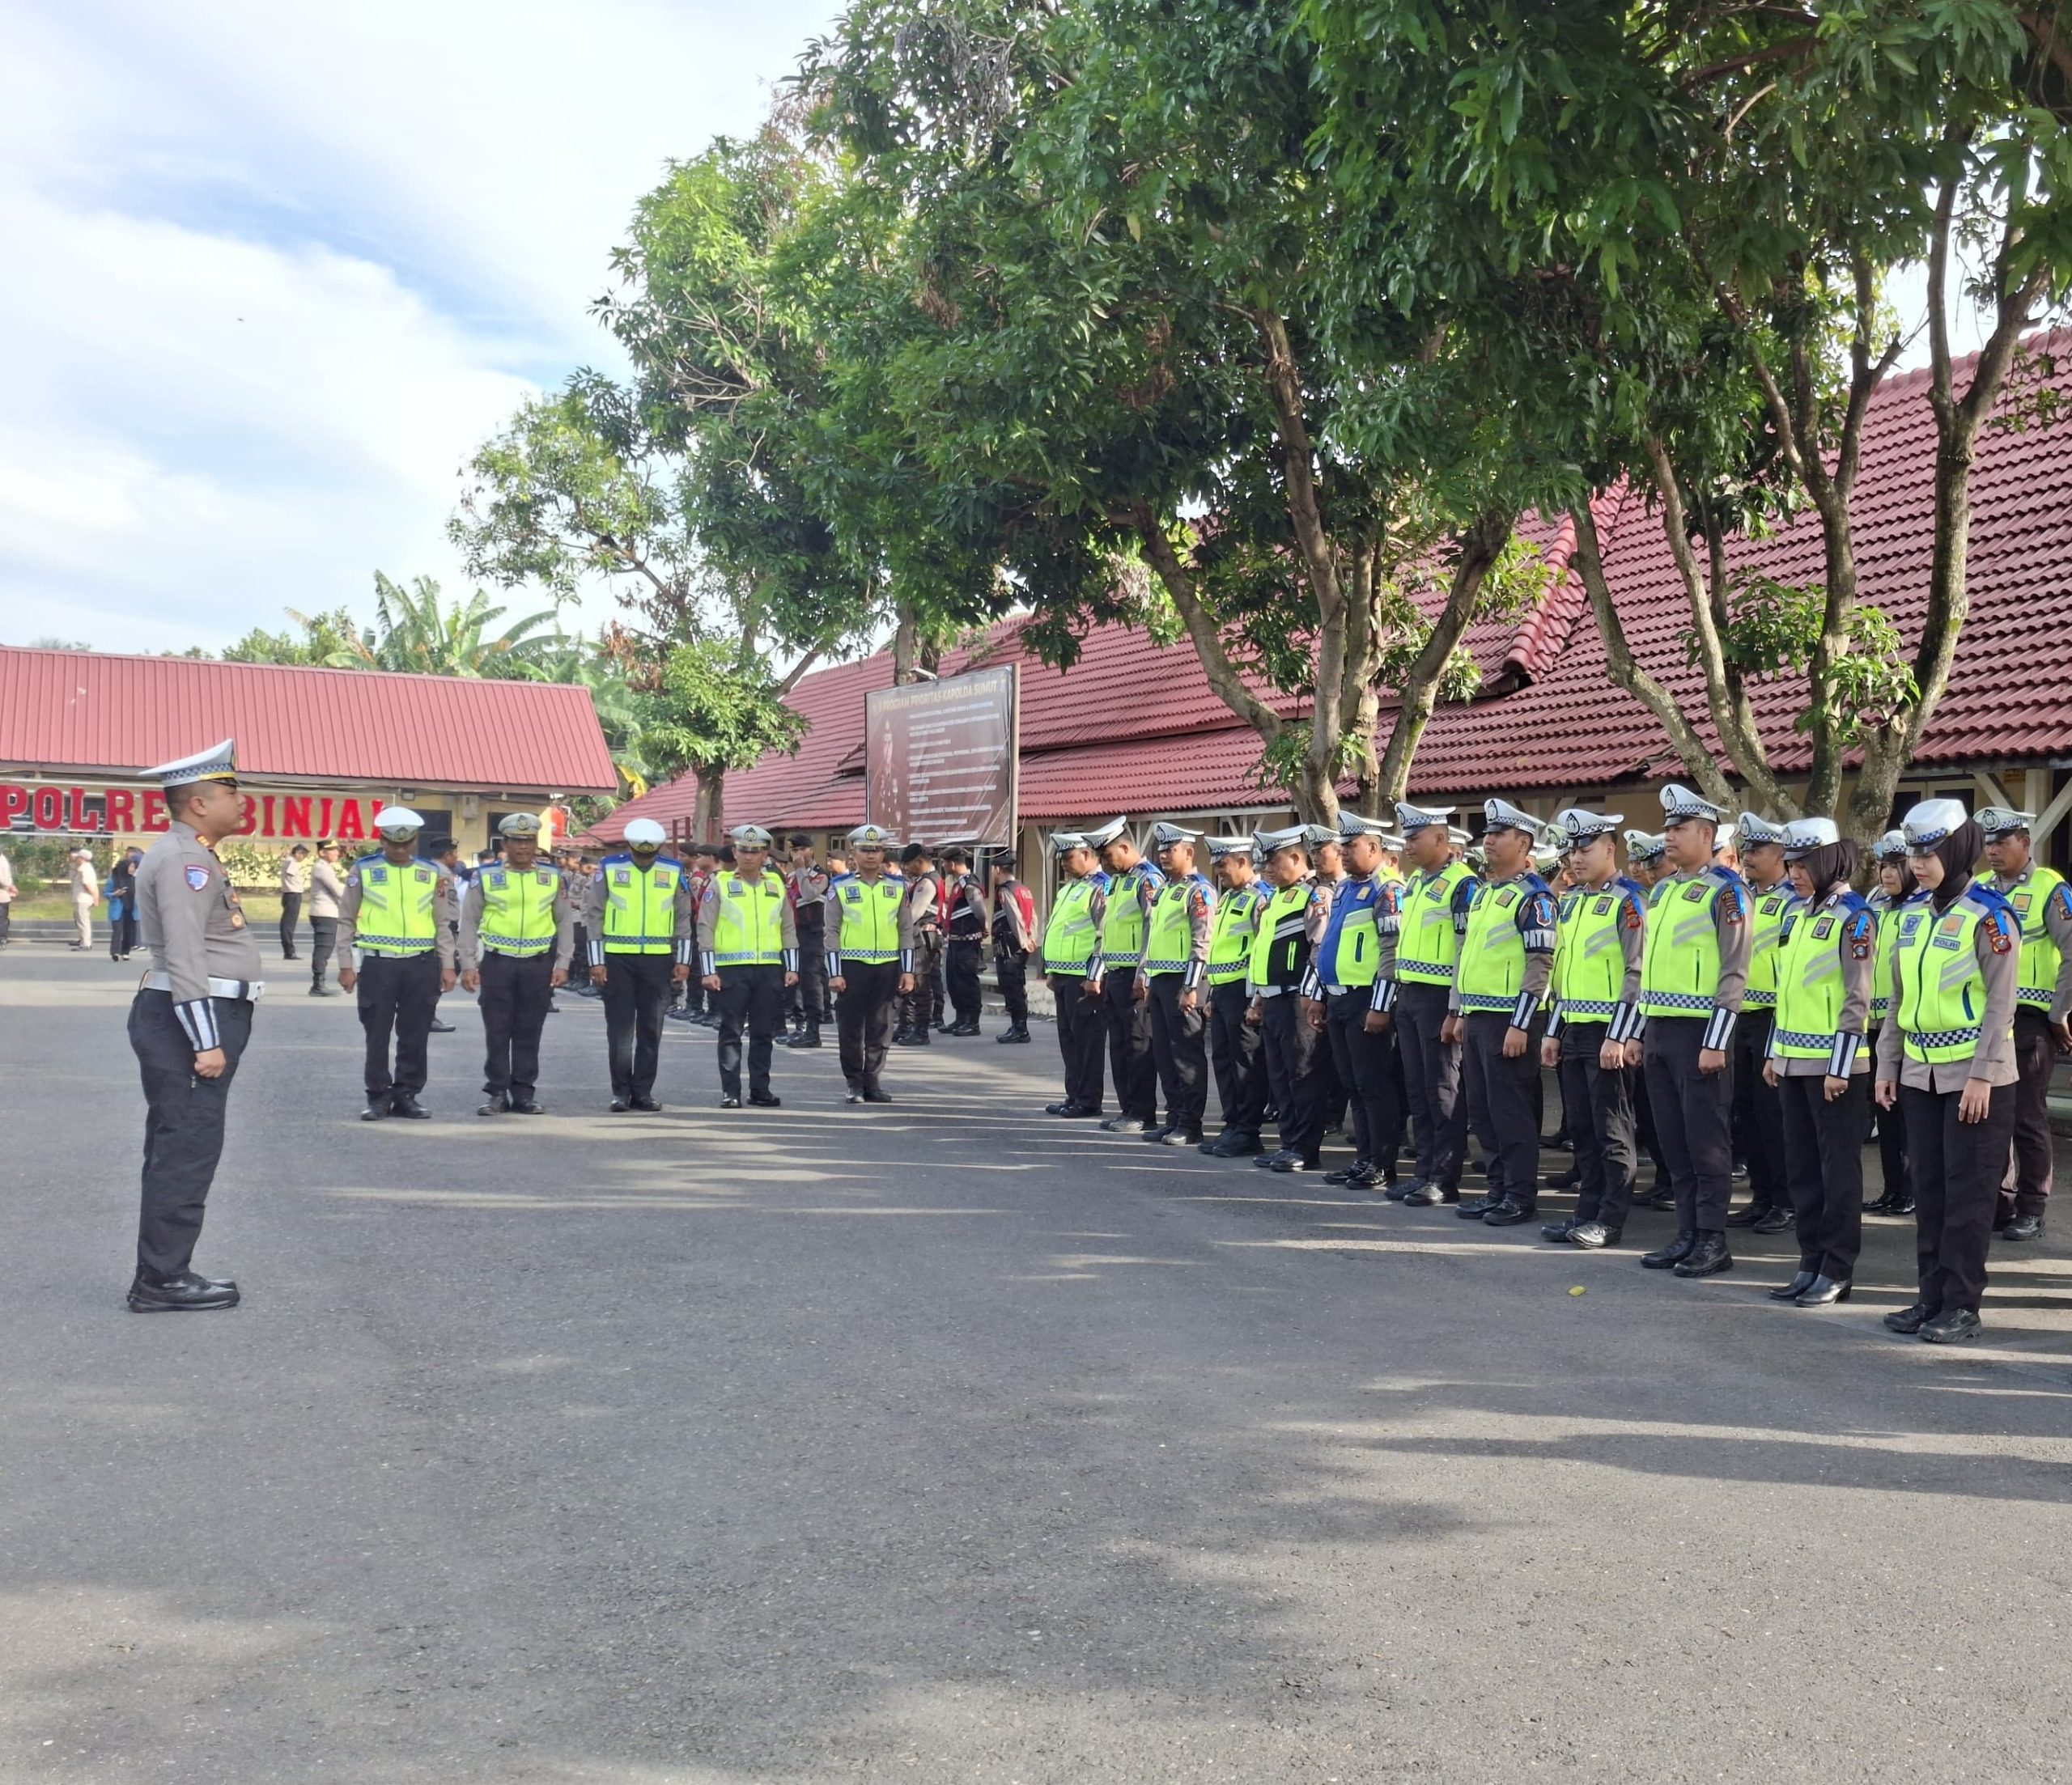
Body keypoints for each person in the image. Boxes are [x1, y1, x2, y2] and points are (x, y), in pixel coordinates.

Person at [1875, 800, 2021, 1344]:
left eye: (1930, 852)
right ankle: (1930, 1297)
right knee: (1931, 1191)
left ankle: (1962, 1305)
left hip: (1975, 1080)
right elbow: (1897, 1000)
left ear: (1958, 849)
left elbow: (2001, 1005)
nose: (1918, 863)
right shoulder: (1913, 915)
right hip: (1920, 1074)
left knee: (1968, 1196)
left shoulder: (1990, 915)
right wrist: (1888, 1064)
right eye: (1914, 852)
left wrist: (1982, 1075)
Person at [122, 740, 261, 1312]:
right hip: (192, 1020)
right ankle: (162, 1281)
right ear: (199, 803)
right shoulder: (187, 861)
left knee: (179, 1145)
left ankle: (162, 1272)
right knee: (187, 1148)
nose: (241, 801)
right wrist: (207, 1041)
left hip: (188, 1014)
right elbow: (184, 955)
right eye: (231, 792)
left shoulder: (192, 853)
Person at [1633, 784, 1751, 1278]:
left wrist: (1716, 1040)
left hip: (1701, 1033)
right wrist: (1637, 1031)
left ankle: (1711, 1238)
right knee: (1673, 1140)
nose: (1668, 837)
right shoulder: (1663, 890)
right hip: (1660, 1029)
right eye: (1667, 828)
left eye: (1679, 828)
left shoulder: (1728, 891)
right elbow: (1647, 967)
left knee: (1706, 1142)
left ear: (1706, 834)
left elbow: (1734, 971)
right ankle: (1686, 1232)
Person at [1763, 817, 1876, 1306]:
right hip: (1792, 1061)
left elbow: (1857, 997)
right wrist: (1774, 1051)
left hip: (1835, 1068)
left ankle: (1837, 1268)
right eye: (1790, 864)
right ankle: (1809, 1261)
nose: (1795, 873)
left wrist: (1839, 1066)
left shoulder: (1856, 916)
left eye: (1804, 864)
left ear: (1829, 861)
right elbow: (1785, 990)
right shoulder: (1795, 914)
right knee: (1803, 1170)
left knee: (1838, 1174)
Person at [1443, 801, 1557, 1226]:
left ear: (1523, 844)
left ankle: (1519, 1195)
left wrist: (1521, 1023)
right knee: (1484, 1111)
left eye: (1498, 834)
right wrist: (1459, 1011)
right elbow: (1468, 956)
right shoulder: (1486, 893)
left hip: (1510, 1019)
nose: (1487, 841)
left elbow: (1540, 965)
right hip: (1478, 1015)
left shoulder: (1535, 897)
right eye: (1487, 834)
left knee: (1511, 1112)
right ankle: (1497, 1189)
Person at [1539, 809, 1645, 1250]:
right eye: (1572, 850)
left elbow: (1637, 973)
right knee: (1582, 1129)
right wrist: (1553, 1030)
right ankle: (1585, 1212)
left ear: (1609, 849)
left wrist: (1619, 1035)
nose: (1576, 858)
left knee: (1612, 1131)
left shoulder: (1630, 900)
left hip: (1608, 1035)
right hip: (1574, 1031)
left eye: (1586, 849)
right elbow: (1562, 973)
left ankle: (1610, 1219)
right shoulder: (1574, 901)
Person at [1976, 807, 2072, 1243]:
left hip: (2032, 1020)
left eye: (2002, 842)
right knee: (1991, 1116)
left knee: (2027, 1118)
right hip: (1986, 1019)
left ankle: (2032, 1207)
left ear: (2025, 843)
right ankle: (1999, 1203)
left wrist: (2060, 1013)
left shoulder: (2050, 888)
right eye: (1989, 844)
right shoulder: (1979, 888)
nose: (1993, 851)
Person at [1378, 802, 1477, 1206]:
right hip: (1410, 994)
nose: (1407, 846)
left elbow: (1464, 949)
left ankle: (1444, 1178)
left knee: (1442, 1090)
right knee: (1417, 1089)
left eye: (1414, 838)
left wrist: (1456, 1008)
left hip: (1440, 999)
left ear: (1440, 839)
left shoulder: (1463, 884)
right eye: (1405, 839)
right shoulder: (1417, 882)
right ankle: (1423, 1171)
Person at [1305, 811, 1404, 1190]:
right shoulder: (1346, 888)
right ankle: (1364, 1158)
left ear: (1374, 848)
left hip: (1366, 1000)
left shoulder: (1388, 889)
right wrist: (1319, 995)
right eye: (1342, 846)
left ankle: (1382, 1163)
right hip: (1338, 998)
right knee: (1353, 1085)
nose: (1344, 852)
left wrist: (1380, 1006)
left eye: (1352, 845)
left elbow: (1390, 953)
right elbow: (1328, 945)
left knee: (1373, 1086)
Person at [336, 808, 457, 1120]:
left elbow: (441, 923)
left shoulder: (432, 872)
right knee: (377, 1034)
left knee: (415, 1034)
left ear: (415, 841)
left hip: (421, 964)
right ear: (382, 840)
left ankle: (407, 1094)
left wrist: (447, 964)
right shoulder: (363, 870)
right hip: (379, 965)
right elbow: (346, 920)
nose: (400, 850)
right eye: (393, 843)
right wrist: (346, 964)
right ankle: (378, 1096)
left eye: (406, 844)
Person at [459, 813, 574, 1115]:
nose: (523, 847)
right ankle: (497, 1091)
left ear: (535, 843)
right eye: (516, 841)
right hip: (498, 962)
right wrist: (468, 964)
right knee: (497, 1029)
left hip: (538, 963)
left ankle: (524, 1092)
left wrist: (563, 962)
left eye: (528, 841)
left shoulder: (552, 877)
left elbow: (564, 922)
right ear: (505, 844)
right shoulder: (484, 877)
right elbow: (469, 921)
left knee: (530, 1028)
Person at [1724, 814, 1798, 1234]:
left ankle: (1786, 1200)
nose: (1748, 857)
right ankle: (1762, 1195)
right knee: (1746, 1112)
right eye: (1745, 850)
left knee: (1774, 1116)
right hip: (1741, 1016)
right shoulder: (1743, 896)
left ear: (1781, 854)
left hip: (1774, 1015)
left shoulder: (1793, 900)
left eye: (1757, 850)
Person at [1246, 827, 1335, 1173]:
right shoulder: (1274, 898)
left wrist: (1311, 995)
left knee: (1303, 1075)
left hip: (1297, 999)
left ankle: (1305, 1147)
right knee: (1280, 1076)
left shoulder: (1314, 895)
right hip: (1273, 1000)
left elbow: (1318, 949)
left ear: (1297, 858)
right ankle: (1288, 1142)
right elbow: (1263, 952)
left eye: (1274, 861)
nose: (1267, 869)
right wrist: (1258, 998)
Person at [589, 818, 694, 1112]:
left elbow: (683, 918)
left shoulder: (673, 870)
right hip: (617, 957)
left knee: (651, 1028)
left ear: (659, 849)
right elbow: (594, 914)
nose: (644, 860)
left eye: (649, 855)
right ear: (629, 847)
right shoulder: (610, 867)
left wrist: (683, 960)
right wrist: (596, 961)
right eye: (639, 854)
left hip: (659, 959)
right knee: (620, 1030)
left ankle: (643, 1092)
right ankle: (620, 1092)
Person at [698, 823, 799, 1109]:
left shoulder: (775, 884)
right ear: (734, 852)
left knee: (763, 1032)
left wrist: (792, 967)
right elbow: (705, 927)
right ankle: (730, 1091)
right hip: (731, 969)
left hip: (768, 968)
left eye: (755, 851)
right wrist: (708, 970)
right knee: (731, 1031)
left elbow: (787, 927)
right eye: (744, 850)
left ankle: (760, 1089)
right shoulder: (720, 883)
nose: (749, 856)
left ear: (765, 854)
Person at [1138, 823, 1216, 1147]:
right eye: (1161, 851)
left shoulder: (1199, 891)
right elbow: (1154, 937)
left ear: (1188, 852)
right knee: (1165, 1054)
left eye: (1171, 850)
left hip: (1184, 983)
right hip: (1160, 980)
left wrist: (1191, 986)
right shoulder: (1165, 890)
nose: (1164, 856)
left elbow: (1202, 941)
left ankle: (1190, 1123)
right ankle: (1173, 1117)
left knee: (1186, 1055)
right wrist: (1146, 977)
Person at [1086, 816, 1165, 1134]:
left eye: (1107, 855)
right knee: (1119, 1046)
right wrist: (1099, 970)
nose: (1104, 863)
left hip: (1135, 976)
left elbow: (1151, 928)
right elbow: (1106, 929)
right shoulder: (1116, 882)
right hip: (1115, 973)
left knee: (1138, 1045)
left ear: (1125, 848)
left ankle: (1143, 1113)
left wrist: (1143, 973)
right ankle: (1127, 1109)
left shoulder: (1148, 879)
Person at [829, 825, 912, 1102]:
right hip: (852, 965)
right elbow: (831, 931)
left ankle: (873, 1081)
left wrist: (908, 970)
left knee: (882, 1026)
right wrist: (834, 972)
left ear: (883, 853)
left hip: (888, 965)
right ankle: (854, 1083)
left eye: (876, 850)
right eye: (865, 849)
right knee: (851, 1027)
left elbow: (905, 930)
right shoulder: (840, 886)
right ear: (853, 853)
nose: (871, 855)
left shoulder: (897, 886)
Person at [1201, 837, 1268, 1157]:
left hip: (1245, 992)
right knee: (1225, 1061)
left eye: (1222, 864)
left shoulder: (1260, 897)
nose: (1218, 871)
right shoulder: (1229, 897)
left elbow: (1261, 949)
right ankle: (1232, 1124)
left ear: (1243, 862)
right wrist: (1212, 993)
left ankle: (1247, 1130)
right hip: (1223, 990)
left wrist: (1257, 1000)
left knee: (1246, 1064)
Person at [1863, 830, 1917, 1215]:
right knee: (1883, 1111)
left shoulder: (1924, 904)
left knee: (1907, 1114)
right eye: (1883, 866)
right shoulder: (1875, 903)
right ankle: (1892, 1188)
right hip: (1873, 1024)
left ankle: (1911, 1189)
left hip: (1904, 1026)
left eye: (1896, 866)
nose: (1887, 873)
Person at [1042, 833, 1110, 1117]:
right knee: (1069, 1040)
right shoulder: (1070, 888)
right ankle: (1073, 1095)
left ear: (1086, 855)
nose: (1064, 864)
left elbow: (1104, 935)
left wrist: (1094, 975)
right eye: (1061, 859)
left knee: (1087, 1042)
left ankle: (1088, 1099)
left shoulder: (1101, 887)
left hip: (1084, 976)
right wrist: (1050, 969)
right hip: (1063, 973)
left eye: (1068, 858)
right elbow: (1058, 928)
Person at [785, 833, 832, 1049]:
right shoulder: (791, 876)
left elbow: (809, 893)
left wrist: (801, 870)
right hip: (794, 933)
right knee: (795, 982)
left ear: (811, 850)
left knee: (812, 983)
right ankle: (800, 1026)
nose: (797, 854)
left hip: (814, 935)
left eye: (801, 850)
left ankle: (814, 1031)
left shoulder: (820, 875)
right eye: (794, 851)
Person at [896, 842, 944, 1045]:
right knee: (914, 985)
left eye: (908, 864)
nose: (906, 869)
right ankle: (908, 1026)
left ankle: (920, 1031)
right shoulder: (925, 880)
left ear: (919, 862)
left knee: (921, 986)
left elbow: (914, 913)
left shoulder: (928, 882)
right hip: (920, 938)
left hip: (924, 939)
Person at [940, 846, 989, 1036]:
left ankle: (972, 1022)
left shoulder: (969, 885)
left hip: (967, 941)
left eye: (945, 863)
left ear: (953, 864)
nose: (943, 866)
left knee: (967, 981)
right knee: (955, 982)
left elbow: (980, 912)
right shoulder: (958, 884)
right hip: (956, 940)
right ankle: (961, 1018)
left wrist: (983, 927)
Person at [990, 855, 1036, 1043]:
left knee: (1011, 986)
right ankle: (1018, 1026)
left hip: (1010, 945)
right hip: (1020, 944)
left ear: (997, 870)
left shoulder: (1005, 890)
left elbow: (1013, 916)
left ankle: (1020, 1028)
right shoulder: (1023, 889)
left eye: (992, 870)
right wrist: (1032, 938)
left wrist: (1023, 941)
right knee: (1016, 984)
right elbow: (1033, 916)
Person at [308, 840, 346, 996]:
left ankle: (318, 984)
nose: (337, 853)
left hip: (326, 913)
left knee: (324, 949)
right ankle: (318, 985)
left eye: (337, 850)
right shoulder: (322, 868)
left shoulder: (325, 867)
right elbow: (338, 890)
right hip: (324, 914)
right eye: (332, 850)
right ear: (322, 852)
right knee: (323, 949)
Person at [107, 846, 142, 961]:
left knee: (129, 931)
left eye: (133, 867)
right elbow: (106, 893)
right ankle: (115, 952)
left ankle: (125, 952)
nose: (132, 869)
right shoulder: (114, 879)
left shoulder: (135, 879)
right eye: (131, 867)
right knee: (117, 931)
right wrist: (115, 894)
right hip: (118, 908)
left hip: (131, 908)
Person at [278, 846, 308, 960]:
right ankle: (289, 951)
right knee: (288, 925)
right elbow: (290, 873)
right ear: (298, 853)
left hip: (288, 894)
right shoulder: (292, 863)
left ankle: (289, 950)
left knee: (287, 924)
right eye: (303, 855)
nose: (303, 858)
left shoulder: (288, 861)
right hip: (293, 894)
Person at [69, 846, 100, 951]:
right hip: (83, 898)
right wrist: (95, 897)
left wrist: (94, 896)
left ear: (82, 858)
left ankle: (86, 944)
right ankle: (83, 941)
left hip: (82, 898)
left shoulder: (84, 868)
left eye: (78, 858)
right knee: (82, 921)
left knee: (83, 922)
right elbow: (95, 885)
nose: (76, 859)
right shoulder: (86, 868)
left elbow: (86, 884)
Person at [0, 842, 15, 947]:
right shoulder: (3, 860)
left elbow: (3, 880)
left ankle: (2, 938)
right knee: (3, 918)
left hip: (2, 894)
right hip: (4, 894)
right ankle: (3, 938)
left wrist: (8, 886)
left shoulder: (1, 863)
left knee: (1, 918)